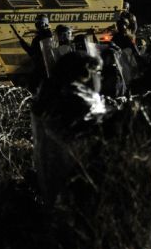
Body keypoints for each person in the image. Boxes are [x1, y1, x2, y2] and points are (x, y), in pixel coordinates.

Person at [32, 51, 106, 204]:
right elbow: (92, 127)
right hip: (76, 166)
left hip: (52, 163)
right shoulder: (74, 96)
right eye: (93, 71)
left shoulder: (50, 90)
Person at [12, 14, 54, 91]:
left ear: (45, 24)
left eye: (40, 23)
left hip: (46, 66)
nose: (38, 25)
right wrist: (23, 43)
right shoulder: (39, 38)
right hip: (40, 66)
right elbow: (31, 52)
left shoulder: (49, 36)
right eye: (37, 23)